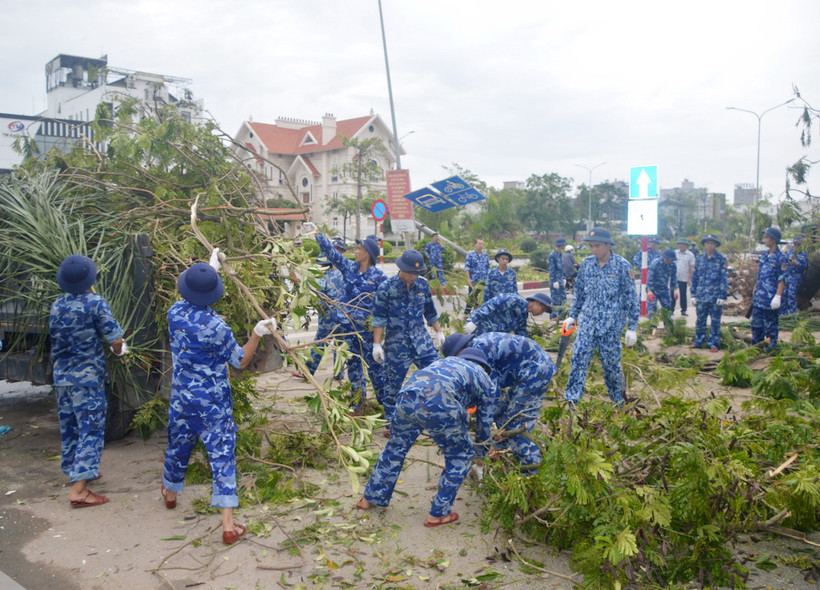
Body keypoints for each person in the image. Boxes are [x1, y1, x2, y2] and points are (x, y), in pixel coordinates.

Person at [161, 259, 276, 545]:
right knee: (222, 456)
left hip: (182, 398)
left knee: (178, 445)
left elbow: (187, 296)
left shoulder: (174, 313)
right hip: (213, 403)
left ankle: (171, 494)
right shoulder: (217, 325)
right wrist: (256, 334)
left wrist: (208, 271)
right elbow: (240, 361)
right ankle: (227, 525)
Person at [355, 350, 498, 527]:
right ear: (484, 366)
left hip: (407, 395)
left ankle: (369, 498)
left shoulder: (446, 362)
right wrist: (481, 454)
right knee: (459, 455)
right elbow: (485, 423)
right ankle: (438, 514)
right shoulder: (485, 378)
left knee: (395, 447)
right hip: (439, 402)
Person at [50, 255, 127, 509]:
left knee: (71, 426)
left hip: (62, 378)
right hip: (87, 378)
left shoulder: (57, 305)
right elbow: (115, 338)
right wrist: (119, 351)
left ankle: (77, 469)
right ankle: (79, 490)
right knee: (91, 428)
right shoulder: (95, 303)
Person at [443, 332, 556, 470]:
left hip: (535, 371)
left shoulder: (478, 354)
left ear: (459, 352)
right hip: (528, 370)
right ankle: (498, 451)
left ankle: (532, 472)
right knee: (502, 415)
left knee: (515, 426)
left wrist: (480, 455)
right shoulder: (478, 346)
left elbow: (488, 404)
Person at [304, 223, 387, 407]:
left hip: (367, 333)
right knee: (354, 370)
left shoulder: (380, 278)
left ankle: (388, 408)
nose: (355, 251)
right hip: (348, 331)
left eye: (358, 249)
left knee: (376, 372)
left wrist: (379, 340)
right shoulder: (349, 268)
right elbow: (331, 253)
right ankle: (358, 404)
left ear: (367, 254)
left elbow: (387, 305)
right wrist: (317, 233)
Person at [564, 227, 639, 406]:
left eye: (597, 245)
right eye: (591, 246)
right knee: (578, 360)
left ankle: (619, 400)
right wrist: (573, 316)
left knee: (611, 365)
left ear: (607, 244)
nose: (594, 249)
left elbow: (631, 298)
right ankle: (572, 400)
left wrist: (632, 327)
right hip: (588, 322)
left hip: (611, 325)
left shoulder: (622, 266)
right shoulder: (587, 264)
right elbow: (580, 293)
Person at [371, 250, 445, 428]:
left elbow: (430, 312)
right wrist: (376, 344)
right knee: (392, 386)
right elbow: (379, 318)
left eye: (417, 273)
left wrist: (439, 332)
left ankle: (435, 415)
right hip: (398, 344)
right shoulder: (386, 288)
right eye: (411, 273)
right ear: (401, 268)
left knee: (438, 375)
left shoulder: (422, 285)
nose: (414, 276)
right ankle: (392, 422)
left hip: (422, 341)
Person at [293, 240, 347, 380]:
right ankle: (339, 373)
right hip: (344, 314)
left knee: (321, 343)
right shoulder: (346, 271)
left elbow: (317, 290)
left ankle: (308, 372)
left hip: (329, 315)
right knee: (340, 343)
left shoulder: (327, 274)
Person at [690, 233, 728, 352]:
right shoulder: (699, 259)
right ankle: (699, 341)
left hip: (715, 296)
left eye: (712, 243)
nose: (709, 245)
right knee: (700, 320)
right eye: (707, 243)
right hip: (701, 295)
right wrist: (693, 294)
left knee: (715, 321)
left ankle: (713, 343)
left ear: (716, 245)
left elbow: (724, 278)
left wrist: (722, 295)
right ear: (704, 245)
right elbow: (695, 277)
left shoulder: (721, 259)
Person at [751, 227, 787, 348]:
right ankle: (756, 348)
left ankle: (770, 350)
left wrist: (778, 296)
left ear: (774, 240)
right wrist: (755, 287)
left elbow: (782, 279)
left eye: (767, 237)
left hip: (770, 298)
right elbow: (760, 274)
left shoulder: (781, 257)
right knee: (756, 326)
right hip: (759, 297)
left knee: (770, 326)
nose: (764, 240)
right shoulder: (764, 255)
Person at [465, 292, 552, 337]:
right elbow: (490, 306)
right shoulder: (514, 300)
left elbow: (521, 336)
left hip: (489, 337)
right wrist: (474, 321)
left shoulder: (523, 318)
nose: (541, 313)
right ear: (537, 303)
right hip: (477, 327)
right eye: (543, 310)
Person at [646, 249, 677, 318]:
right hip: (653, 289)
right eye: (668, 260)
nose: (669, 261)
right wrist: (649, 291)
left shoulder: (673, 265)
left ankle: (668, 326)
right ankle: (653, 326)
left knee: (667, 308)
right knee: (652, 309)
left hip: (664, 289)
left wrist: (675, 289)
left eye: (671, 260)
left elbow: (674, 278)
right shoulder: (655, 263)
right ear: (664, 257)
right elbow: (650, 277)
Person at [782, 237, 809, 315]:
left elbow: (805, 266)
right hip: (787, 276)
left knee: (791, 294)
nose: (796, 246)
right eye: (795, 244)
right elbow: (784, 262)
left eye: (797, 245)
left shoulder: (803, 254)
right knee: (784, 294)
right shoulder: (790, 252)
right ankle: (783, 314)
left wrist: (797, 263)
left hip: (796, 277)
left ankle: (792, 313)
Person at [464, 238, 490, 312]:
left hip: (483, 282)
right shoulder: (470, 255)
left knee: (481, 299)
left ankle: (478, 314)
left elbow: (488, 268)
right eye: (479, 244)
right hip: (474, 281)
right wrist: (468, 278)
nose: (481, 245)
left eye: (482, 244)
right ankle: (466, 314)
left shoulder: (485, 255)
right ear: (475, 245)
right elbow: (467, 268)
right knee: (471, 298)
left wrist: (489, 279)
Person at [674, 239, 695, 316]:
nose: (682, 246)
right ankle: (671, 309)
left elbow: (691, 267)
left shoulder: (690, 255)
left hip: (684, 277)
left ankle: (683, 310)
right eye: (680, 244)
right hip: (674, 277)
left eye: (683, 244)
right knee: (672, 294)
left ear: (686, 246)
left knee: (683, 294)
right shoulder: (675, 253)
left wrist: (689, 278)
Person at [549, 238, 567, 318]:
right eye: (563, 244)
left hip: (561, 279)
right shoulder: (552, 255)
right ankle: (553, 316)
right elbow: (552, 269)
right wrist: (554, 281)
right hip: (555, 280)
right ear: (560, 245)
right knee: (555, 299)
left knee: (563, 298)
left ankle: (561, 314)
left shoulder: (560, 255)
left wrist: (564, 278)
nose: (564, 245)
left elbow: (562, 268)